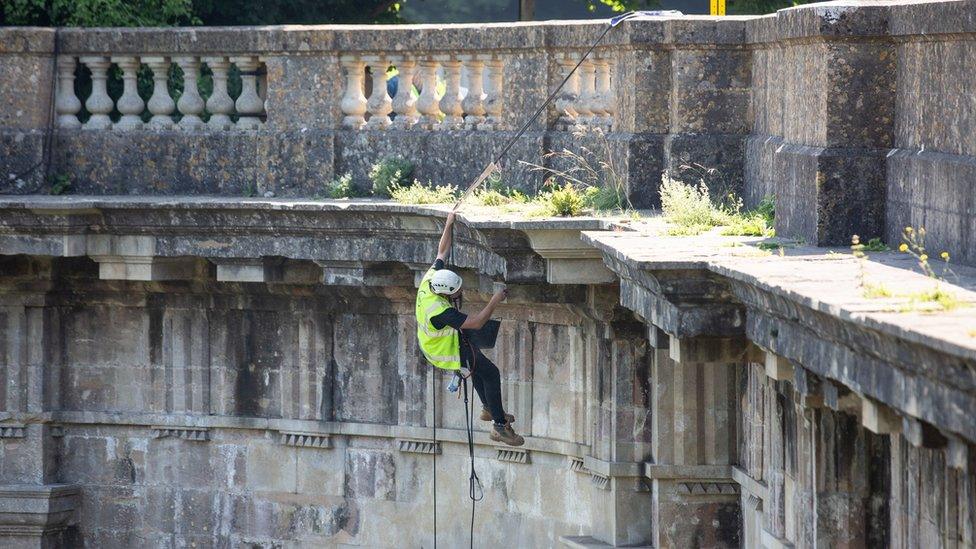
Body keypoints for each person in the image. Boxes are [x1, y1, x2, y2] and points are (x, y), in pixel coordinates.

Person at [415, 211, 524, 446]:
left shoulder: (431, 278)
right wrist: (496, 299)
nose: (459, 293)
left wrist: (448, 224)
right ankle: (500, 426)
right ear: (446, 293)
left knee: (477, 366)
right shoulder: (441, 311)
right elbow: (476, 322)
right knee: (490, 372)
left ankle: (489, 408)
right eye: (456, 291)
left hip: (439, 340)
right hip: (444, 349)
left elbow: (441, 251)